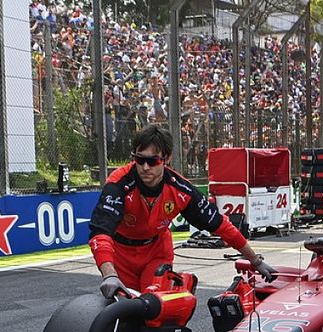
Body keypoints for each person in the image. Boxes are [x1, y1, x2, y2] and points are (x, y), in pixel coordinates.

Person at [89, 125, 275, 297]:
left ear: (166, 158)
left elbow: (221, 225)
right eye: (140, 159)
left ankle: (179, 290)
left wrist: (255, 261)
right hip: (121, 255)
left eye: (152, 161)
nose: (145, 167)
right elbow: (100, 232)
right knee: (124, 311)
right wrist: (109, 275)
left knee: (153, 307)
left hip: (157, 253)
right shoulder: (118, 184)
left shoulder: (180, 189)